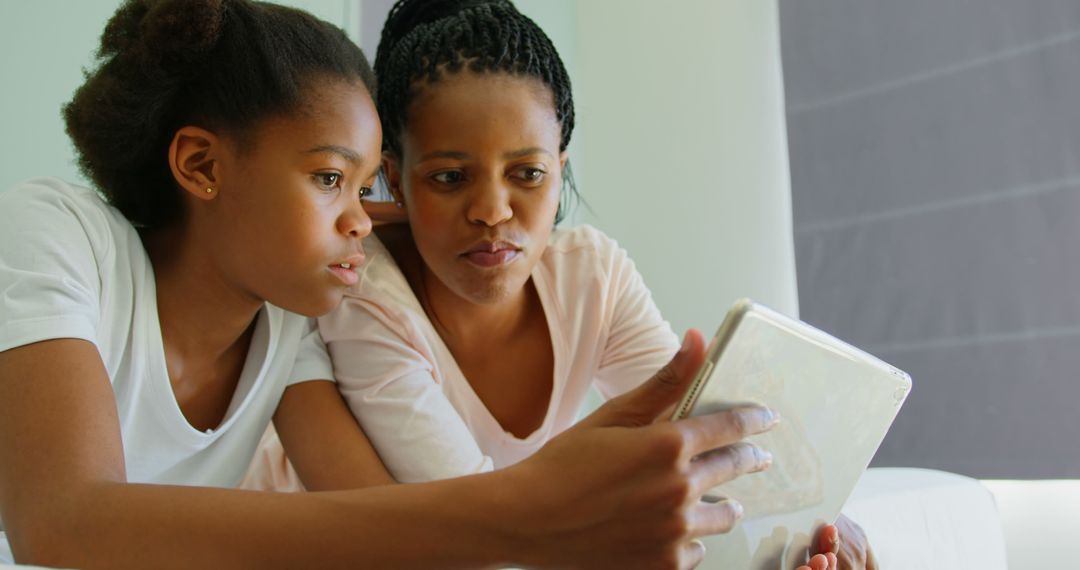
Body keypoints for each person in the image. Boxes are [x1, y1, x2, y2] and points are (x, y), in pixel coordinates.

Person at [0, 1, 785, 568]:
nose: (365, 219)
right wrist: (538, 505)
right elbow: (61, 522)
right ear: (202, 166)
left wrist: (562, 494)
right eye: (333, 178)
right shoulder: (57, 236)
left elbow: (385, 525)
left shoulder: (286, 326)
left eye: (373, 186)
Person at [242, 1, 868, 568]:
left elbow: (691, 444)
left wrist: (804, 517)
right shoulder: (367, 297)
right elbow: (479, 525)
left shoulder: (591, 273)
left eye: (528, 173)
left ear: (559, 169)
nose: (492, 209)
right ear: (396, 181)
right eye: (450, 178)